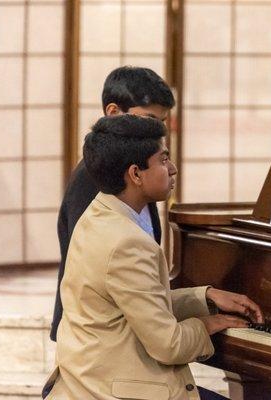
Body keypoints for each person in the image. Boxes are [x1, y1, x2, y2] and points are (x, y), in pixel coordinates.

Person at [43, 115, 263, 399]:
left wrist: (205, 297)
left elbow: (139, 303)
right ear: (135, 174)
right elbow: (169, 345)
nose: (172, 169)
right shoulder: (127, 242)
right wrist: (210, 324)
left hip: (88, 377)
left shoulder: (96, 214)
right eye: (163, 160)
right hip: (113, 389)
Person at [51, 66, 175, 341]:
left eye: (162, 122)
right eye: (150, 119)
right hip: (99, 337)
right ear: (113, 112)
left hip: (128, 322)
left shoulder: (139, 172)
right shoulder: (94, 177)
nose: (157, 131)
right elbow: (89, 266)